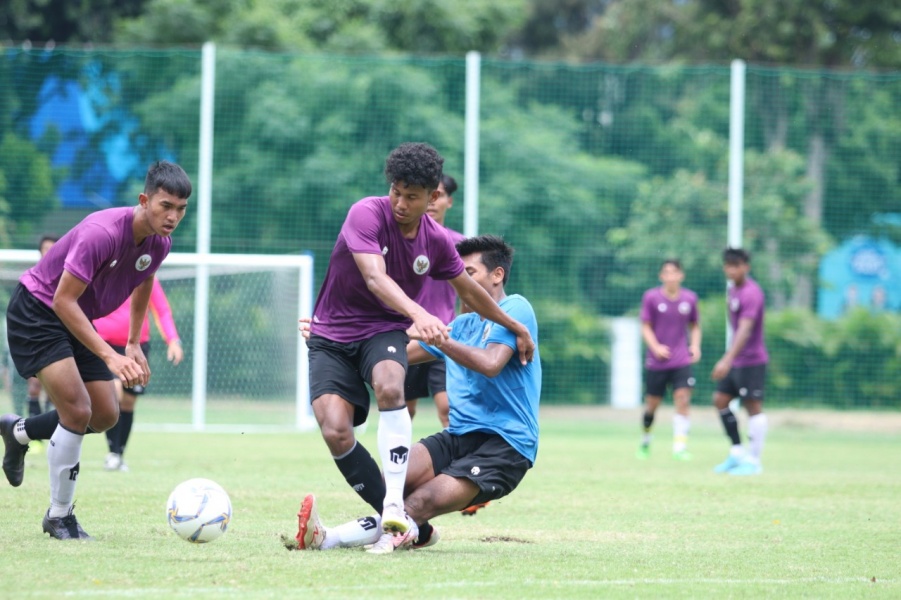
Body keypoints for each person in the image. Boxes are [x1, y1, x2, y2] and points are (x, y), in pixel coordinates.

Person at [305, 143, 535, 541]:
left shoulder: (457, 257)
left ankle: (343, 533)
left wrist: (516, 326)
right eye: (396, 191)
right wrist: (421, 318)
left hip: (388, 334)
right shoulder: (366, 213)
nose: (400, 202)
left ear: (433, 198)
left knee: (392, 388)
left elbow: (479, 324)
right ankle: (411, 527)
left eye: (412, 196)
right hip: (337, 336)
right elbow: (376, 279)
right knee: (336, 431)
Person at [0, 160, 191, 539]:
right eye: (165, 206)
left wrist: (134, 341)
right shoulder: (101, 233)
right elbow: (62, 301)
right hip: (39, 310)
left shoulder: (160, 243)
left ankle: (19, 432)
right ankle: (59, 516)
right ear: (144, 199)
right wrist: (110, 354)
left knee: (105, 414)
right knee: (77, 408)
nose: (173, 216)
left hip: (75, 315)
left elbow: (144, 281)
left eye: (181, 209)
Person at [93, 278, 183, 472]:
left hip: (137, 347)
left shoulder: (146, 275)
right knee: (114, 392)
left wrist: (173, 340)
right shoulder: (108, 271)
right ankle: (113, 453)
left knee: (128, 402)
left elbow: (162, 310)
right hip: (106, 345)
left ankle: (119, 454)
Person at [404, 173, 465, 428]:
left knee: (448, 408)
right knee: (402, 408)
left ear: (448, 201)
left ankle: (454, 464)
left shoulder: (461, 244)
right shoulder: (404, 240)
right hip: (409, 334)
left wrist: (464, 325)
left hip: (444, 334)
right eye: (427, 194)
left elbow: (470, 293)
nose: (432, 201)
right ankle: (399, 464)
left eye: (437, 194)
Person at [711, 247, 769, 476]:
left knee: (753, 407)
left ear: (746, 266)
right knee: (720, 400)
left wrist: (727, 359)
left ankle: (754, 461)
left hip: (752, 360)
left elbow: (745, 330)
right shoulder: (732, 291)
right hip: (737, 361)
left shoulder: (751, 293)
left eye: (736, 265)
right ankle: (736, 452)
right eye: (728, 265)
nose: (732, 270)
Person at [637, 259, 701, 460]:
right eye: (666, 272)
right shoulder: (652, 298)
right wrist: (655, 347)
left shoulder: (690, 299)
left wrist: (695, 346)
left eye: (674, 272)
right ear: (661, 276)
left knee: (683, 400)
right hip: (657, 362)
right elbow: (645, 326)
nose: (671, 276)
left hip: (681, 361)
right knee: (651, 405)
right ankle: (646, 441)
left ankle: (680, 448)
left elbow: (695, 325)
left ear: (681, 275)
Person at [23, 236, 59, 420]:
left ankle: (51, 430)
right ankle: (33, 435)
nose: (48, 252)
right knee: (34, 385)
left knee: (57, 389)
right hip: (33, 339)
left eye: (52, 248)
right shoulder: (31, 279)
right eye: (45, 248)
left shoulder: (65, 278)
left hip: (56, 339)